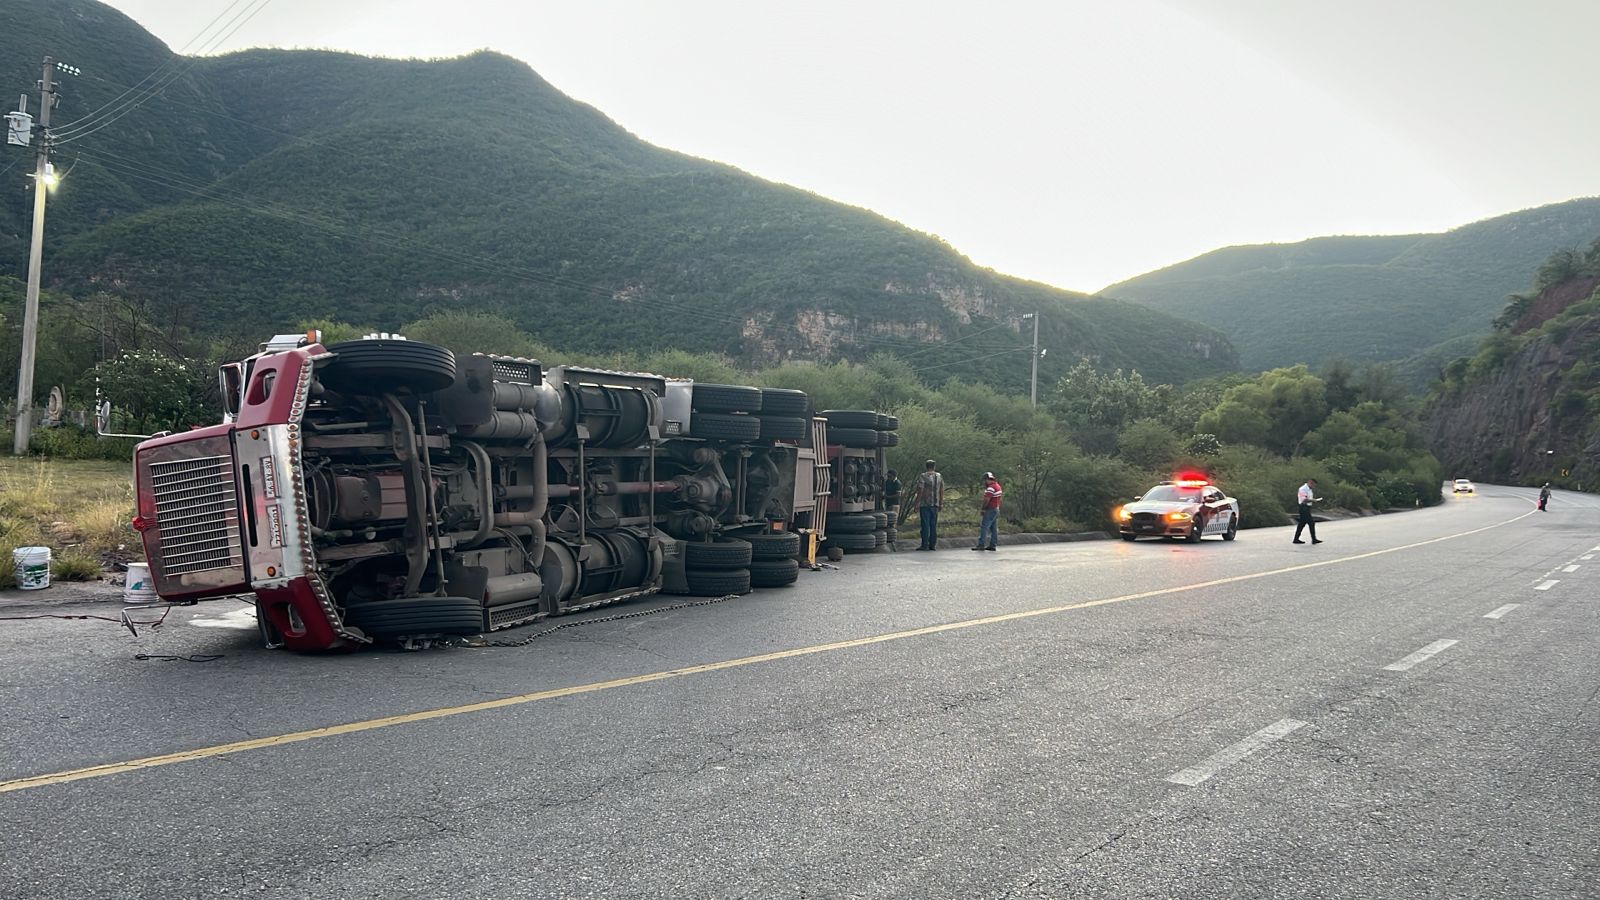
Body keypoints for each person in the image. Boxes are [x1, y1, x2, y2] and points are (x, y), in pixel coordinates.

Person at [906, 459, 944, 551]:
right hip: (935, 504)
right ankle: (932, 544)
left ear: (926, 466)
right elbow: (941, 490)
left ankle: (925, 544)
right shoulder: (939, 476)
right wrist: (941, 503)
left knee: (925, 525)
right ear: (934, 466)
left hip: (925, 504)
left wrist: (916, 503)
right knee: (933, 525)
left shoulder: (923, 476)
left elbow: (921, 490)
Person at [973, 472, 1003, 551]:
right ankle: (993, 545)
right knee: (994, 528)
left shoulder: (991, 488)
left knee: (984, 527)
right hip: (996, 509)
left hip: (990, 509)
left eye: (985, 480)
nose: (984, 482)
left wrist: (983, 509)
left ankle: (981, 544)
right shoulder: (997, 486)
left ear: (987, 479)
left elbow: (987, 500)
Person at [1293, 477, 1322, 544]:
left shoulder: (1309, 489)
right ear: (1310, 482)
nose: (1313, 487)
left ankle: (1296, 539)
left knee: (1301, 524)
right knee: (1311, 523)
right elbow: (1304, 499)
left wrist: (1312, 500)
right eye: (1313, 485)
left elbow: (1308, 498)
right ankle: (1314, 539)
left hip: (1307, 507)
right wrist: (1313, 500)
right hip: (1303, 507)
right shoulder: (1303, 489)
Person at [883, 469, 903, 547]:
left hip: (895, 504)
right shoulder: (887, 482)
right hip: (888, 503)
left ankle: (893, 538)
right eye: (888, 476)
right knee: (887, 521)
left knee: (893, 521)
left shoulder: (897, 483)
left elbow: (898, 494)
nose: (888, 477)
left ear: (894, 476)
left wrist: (888, 497)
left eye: (890, 476)